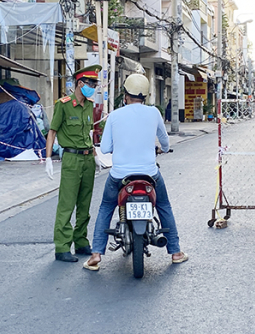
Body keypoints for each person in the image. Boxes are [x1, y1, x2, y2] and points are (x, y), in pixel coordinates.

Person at [83, 74, 188, 271]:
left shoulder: (114, 115)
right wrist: (160, 149)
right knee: (164, 206)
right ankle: (175, 252)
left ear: (125, 95)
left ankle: (96, 253)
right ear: (146, 95)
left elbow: (105, 148)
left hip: (119, 177)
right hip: (149, 175)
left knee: (106, 207)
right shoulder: (154, 113)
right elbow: (165, 143)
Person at [45, 65, 101, 262]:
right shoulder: (64, 104)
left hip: (87, 159)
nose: (93, 87)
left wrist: (95, 154)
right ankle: (62, 246)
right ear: (80, 83)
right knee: (67, 203)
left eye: (95, 84)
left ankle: (81, 240)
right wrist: (48, 158)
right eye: (91, 83)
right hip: (71, 158)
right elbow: (52, 131)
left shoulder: (89, 105)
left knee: (84, 203)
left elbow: (88, 132)